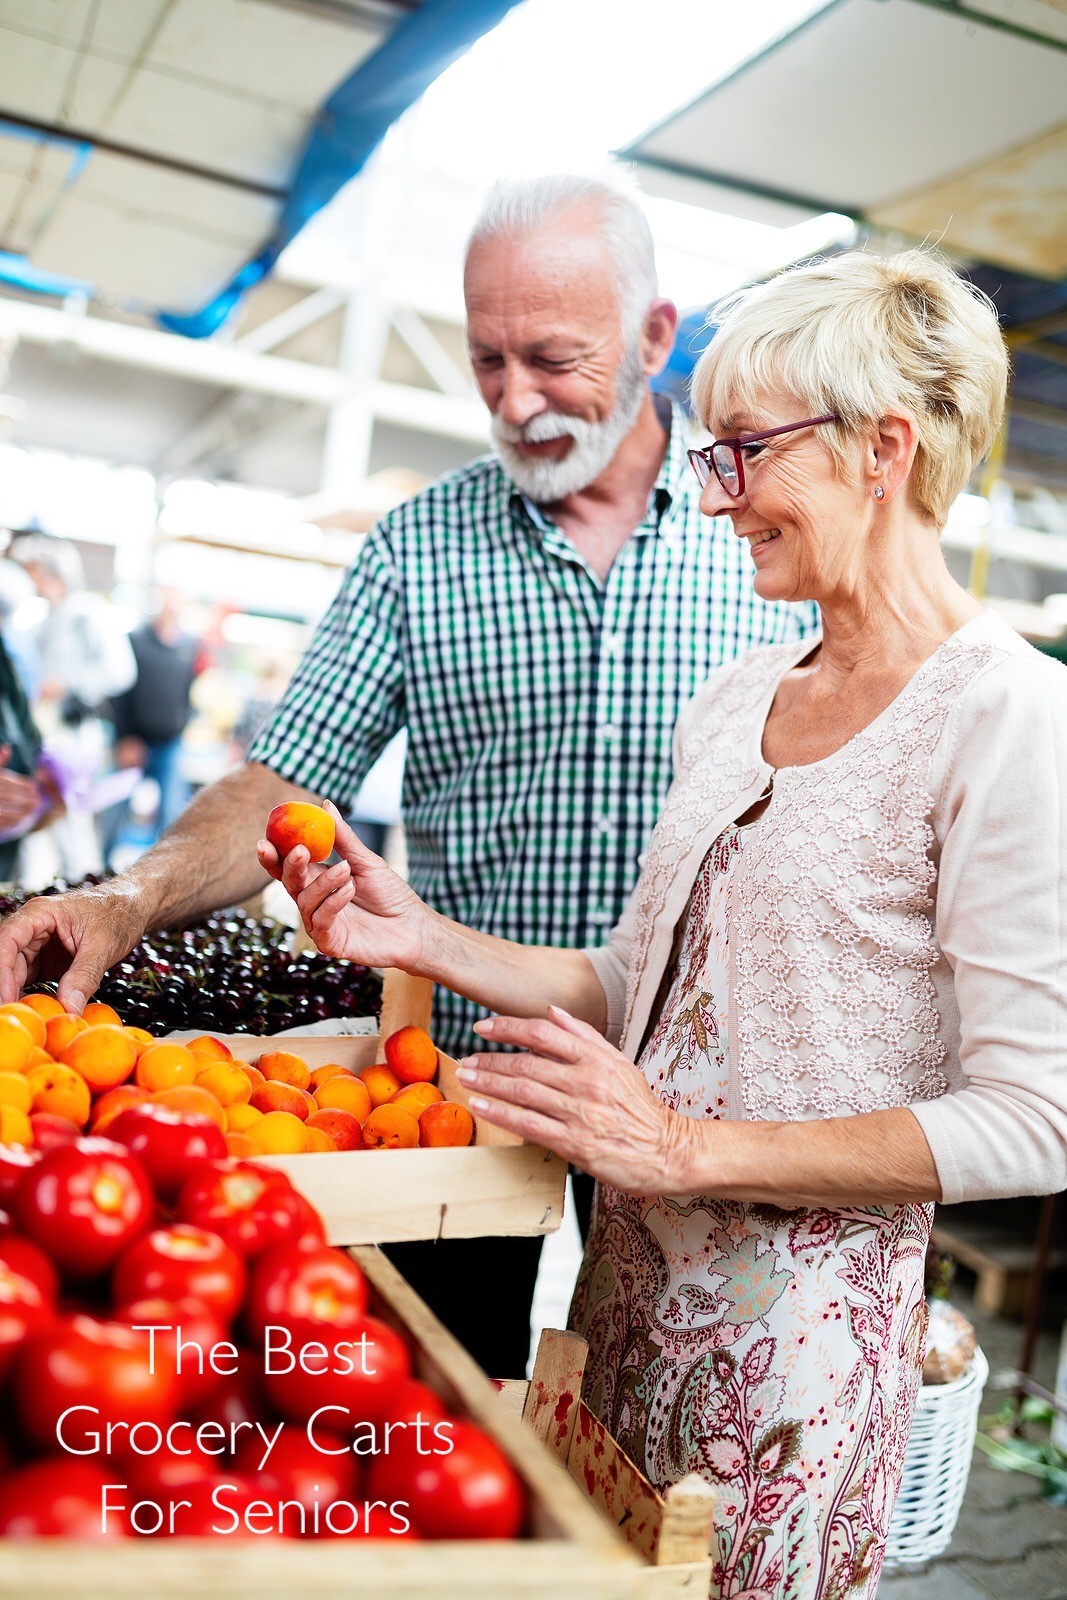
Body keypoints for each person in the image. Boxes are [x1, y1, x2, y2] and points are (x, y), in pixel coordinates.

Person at [261, 249, 1067, 1599]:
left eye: (745, 453)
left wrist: (681, 1145)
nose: (714, 497)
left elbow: (1034, 1116)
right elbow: (646, 976)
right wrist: (423, 939)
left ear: (883, 447)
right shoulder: (736, 692)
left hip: (791, 1377)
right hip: (618, 1307)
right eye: (711, 456)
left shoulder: (1003, 715)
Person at [0, 175, 816, 1377]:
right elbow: (282, 779)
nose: (515, 399)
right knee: (427, 1387)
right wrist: (125, 898)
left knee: (663, 1426)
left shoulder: (758, 530)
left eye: (551, 356)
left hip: (710, 1086)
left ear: (655, 337)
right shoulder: (418, 546)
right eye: (486, 360)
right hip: (458, 1087)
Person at [11, 535, 135, 880]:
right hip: (44, 733)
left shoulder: (89, 614)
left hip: (74, 733)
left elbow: (120, 672)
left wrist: (67, 684)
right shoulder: (44, 618)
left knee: (72, 823)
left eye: (31, 569)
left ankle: (86, 897)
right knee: (41, 820)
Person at [109, 588, 202, 851]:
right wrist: (124, 738)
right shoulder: (135, 640)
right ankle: (98, 872)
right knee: (115, 814)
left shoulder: (189, 646)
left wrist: (183, 724)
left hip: (170, 744)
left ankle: (158, 877)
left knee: (171, 816)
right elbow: (120, 693)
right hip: (134, 741)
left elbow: (187, 691)